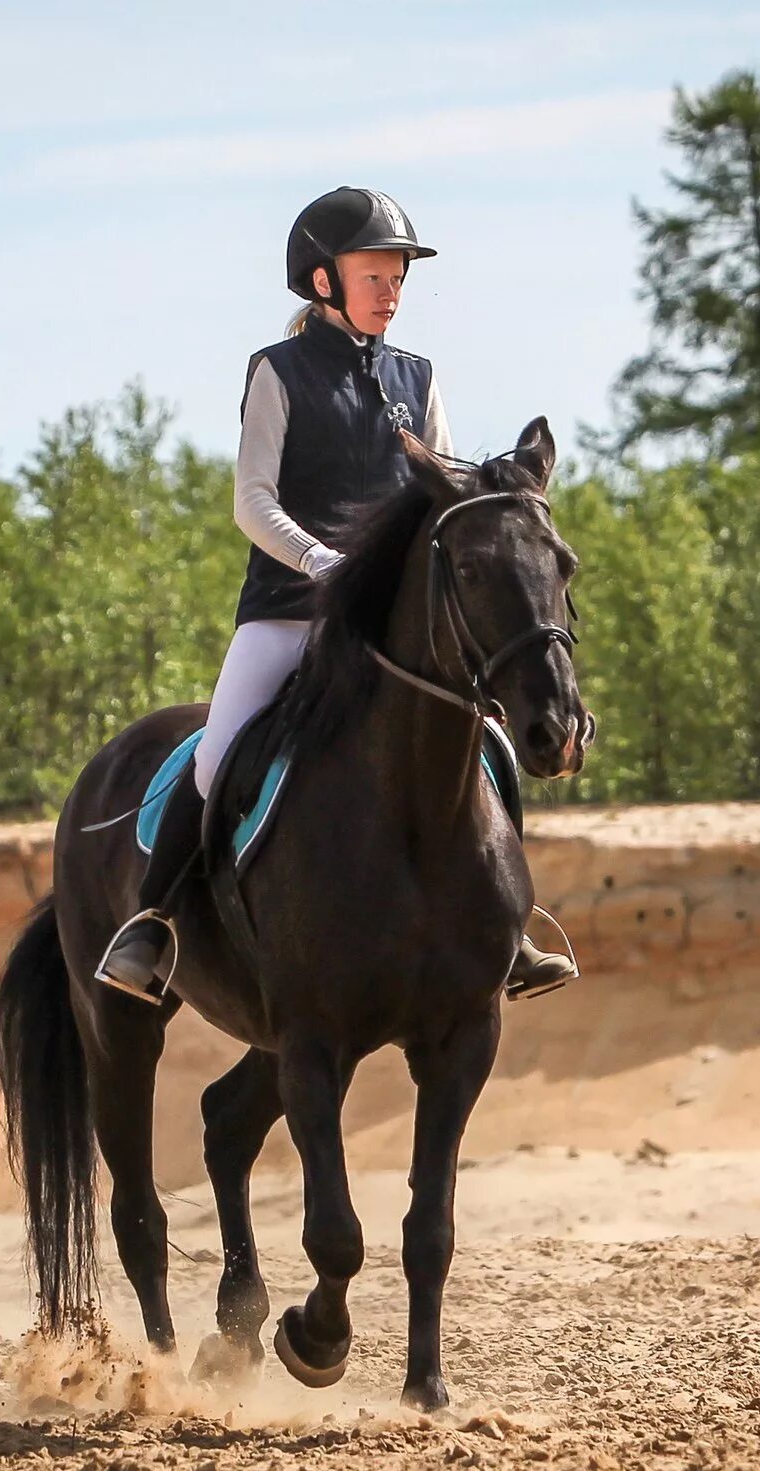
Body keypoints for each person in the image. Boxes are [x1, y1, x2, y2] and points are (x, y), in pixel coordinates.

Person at [94, 187, 578, 1005]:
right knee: (216, 756)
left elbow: (447, 502)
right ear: (323, 281)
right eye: (376, 273)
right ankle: (156, 923)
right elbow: (253, 500)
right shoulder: (278, 372)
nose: (392, 289)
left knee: (487, 747)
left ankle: (511, 928)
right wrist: (321, 563)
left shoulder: (415, 378)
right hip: (289, 611)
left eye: (398, 276)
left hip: (392, 630)